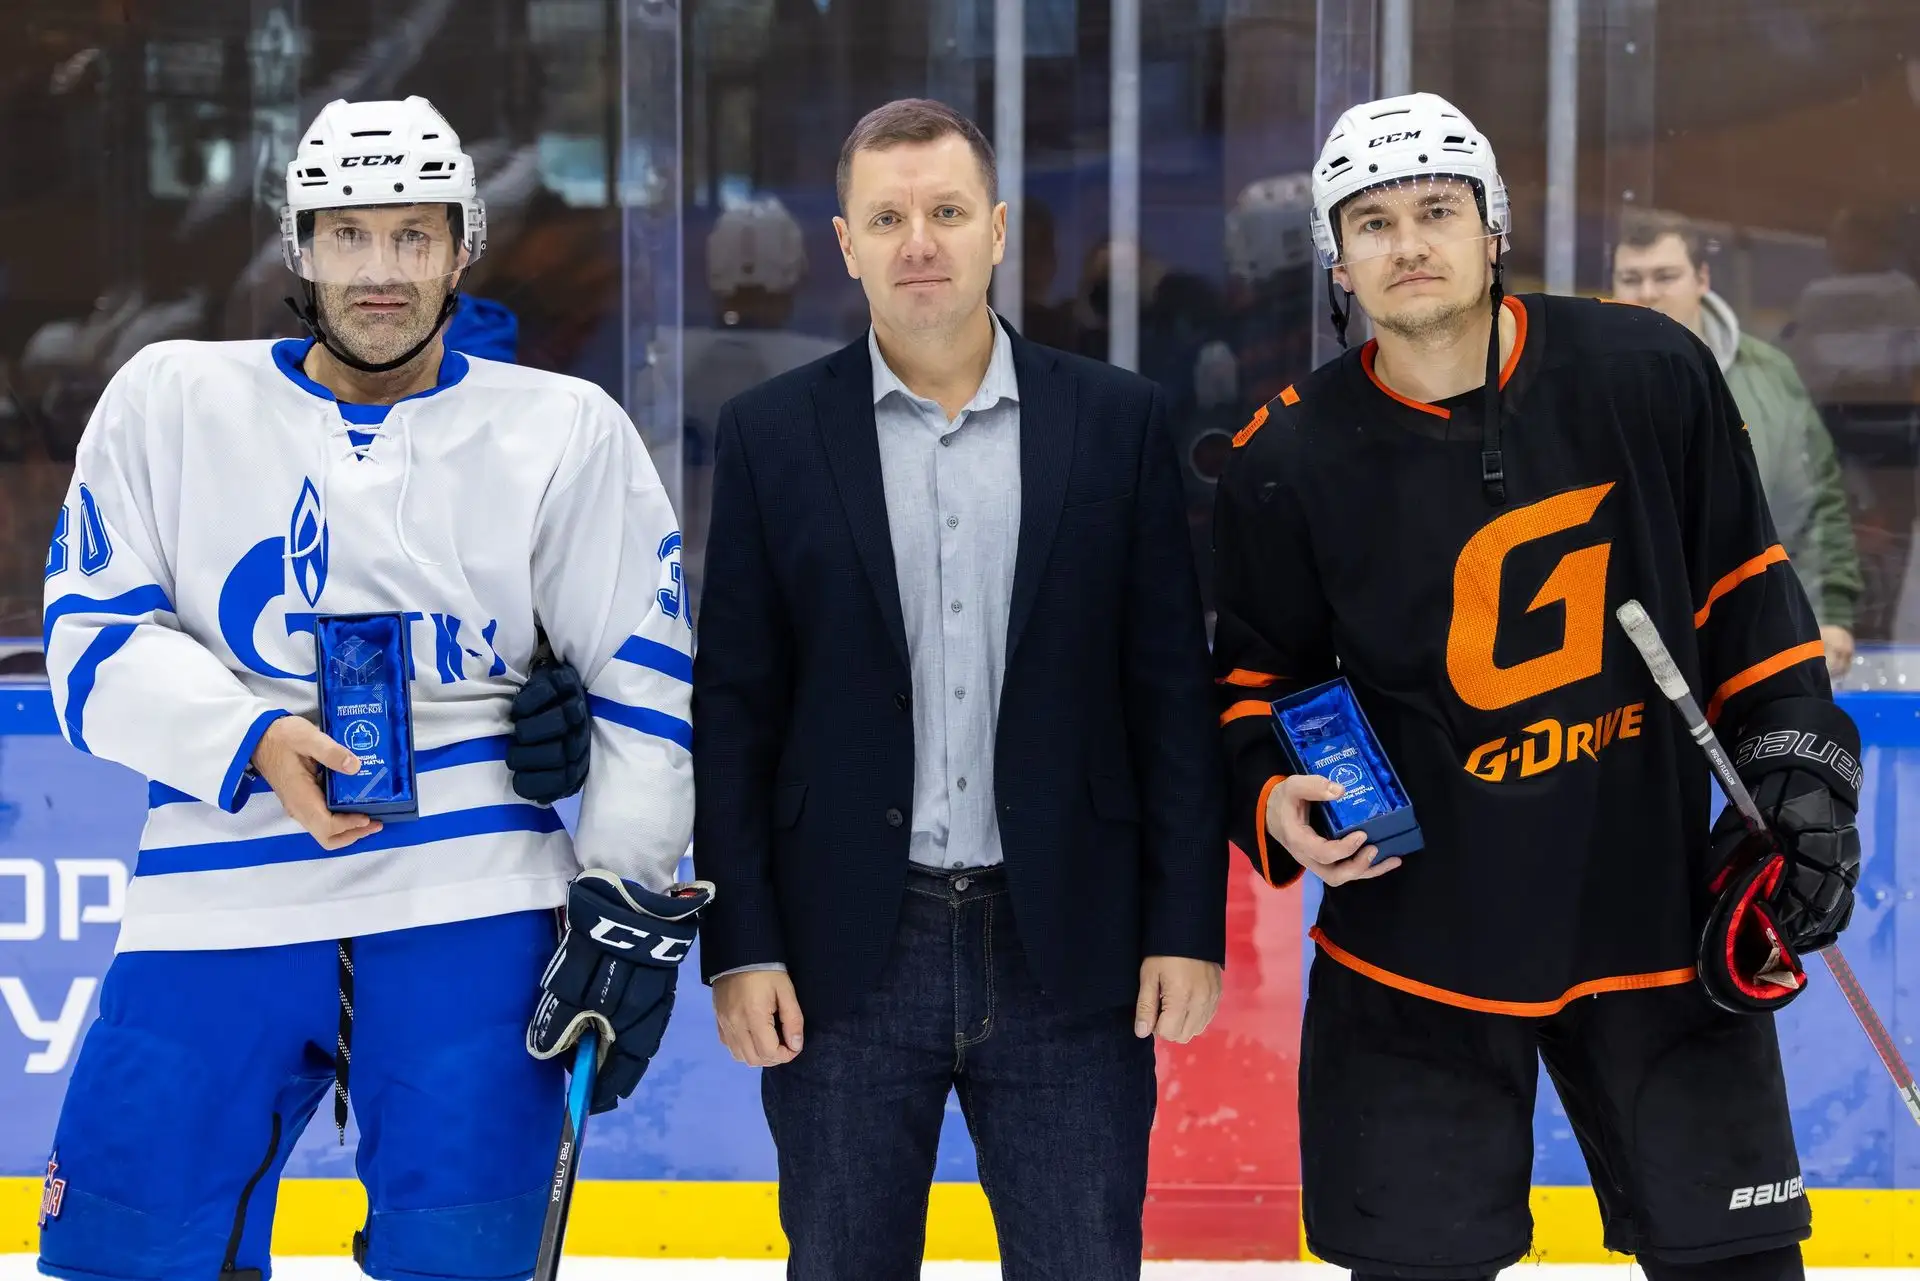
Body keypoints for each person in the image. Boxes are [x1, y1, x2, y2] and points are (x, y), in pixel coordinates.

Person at [37, 95, 699, 1281]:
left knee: (467, 1265)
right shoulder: (167, 401)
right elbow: (89, 641)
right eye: (347, 234)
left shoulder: (564, 430)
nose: (381, 270)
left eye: (412, 235)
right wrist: (249, 735)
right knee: (121, 1258)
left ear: (463, 248)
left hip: (475, 905)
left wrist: (627, 897)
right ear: (299, 248)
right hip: (215, 901)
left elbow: (642, 686)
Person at [1213, 92, 1861, 1280]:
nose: (1409, 243)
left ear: (1494, 226)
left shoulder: (1648, 373)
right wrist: (1273, 796)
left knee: (1738, 1263)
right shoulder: (1283, 459)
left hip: (1656, 924)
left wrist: (1800, 784)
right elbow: (1253, 683)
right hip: (1415, 951)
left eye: (1437, 210)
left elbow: (1750, 606)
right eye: (1372, 223)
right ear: (1337, 262)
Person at [693, 97, 1227, 1278]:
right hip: (843, 955)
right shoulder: (772, 435)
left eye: (945, 211)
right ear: (846, 244)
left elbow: (1169, 700)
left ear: (996, 230)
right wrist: (740, 945)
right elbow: (733, 710)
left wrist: (1186, 925)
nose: (919, 242)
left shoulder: (1116, 422)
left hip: (1068, 947)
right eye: (888, 219)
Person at [1611, 210, 1864, 679]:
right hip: (1621, 643)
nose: (1646, 293)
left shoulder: (1768, 376)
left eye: (1665, 277)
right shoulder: (1582, 382)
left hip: (1753, 634)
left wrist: (1829, 614)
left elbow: (1816, 504)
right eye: (1631, 278)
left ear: (1702, 279)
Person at [680, 195, 841, 608]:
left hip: (683, 587)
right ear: (797, 274)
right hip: (785, 590)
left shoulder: (664, 362)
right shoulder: (827, 369)